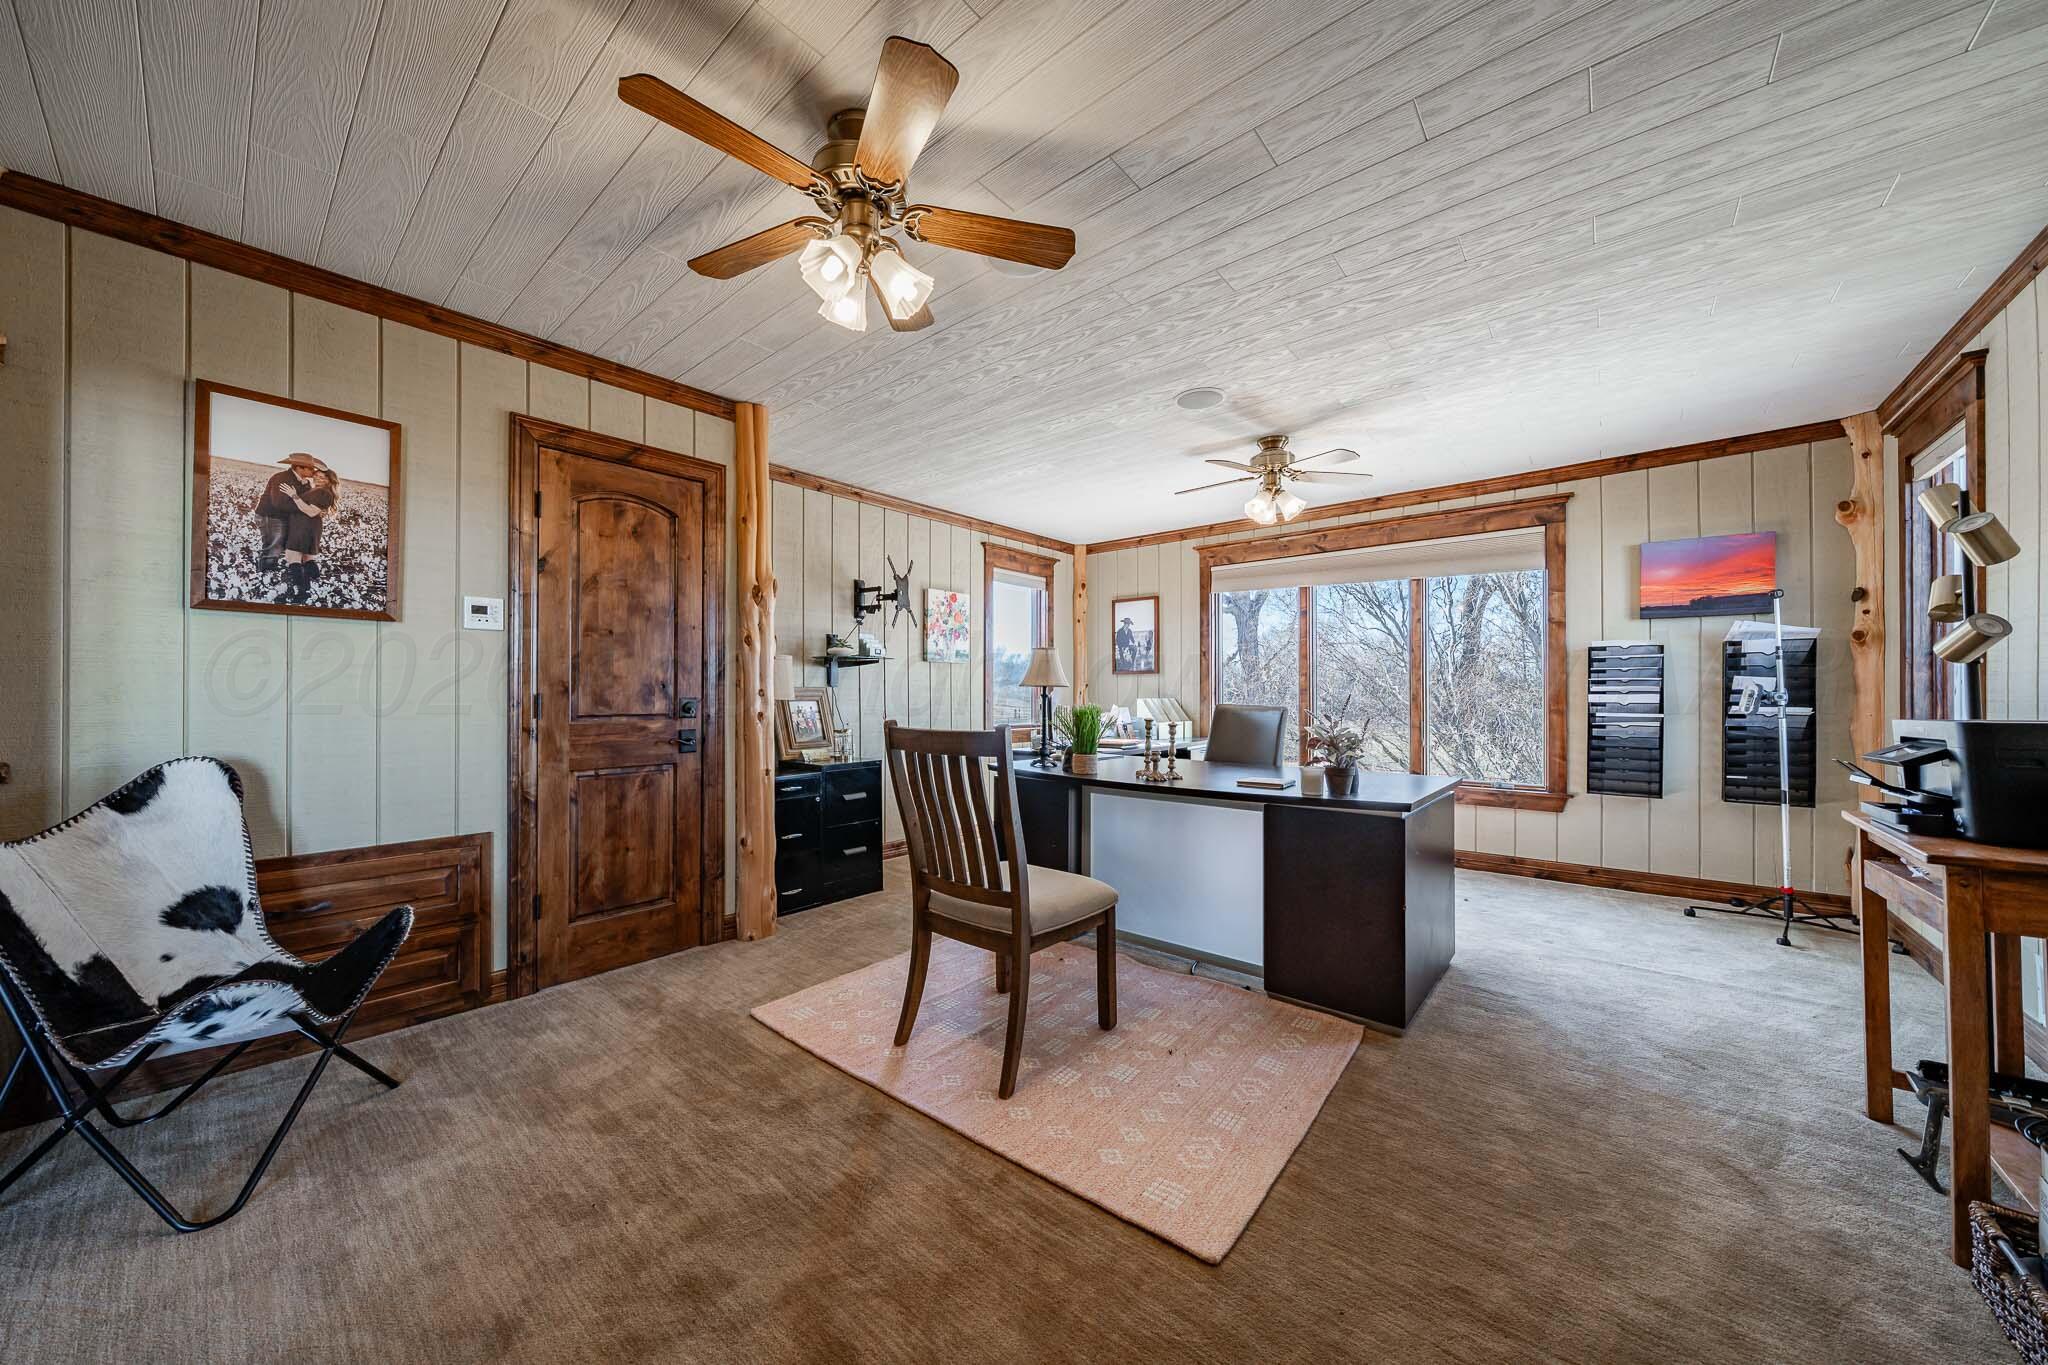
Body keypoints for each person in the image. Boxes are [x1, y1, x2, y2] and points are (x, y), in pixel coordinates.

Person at [252, 453, 322, 574]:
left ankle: (270, 570)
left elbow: (306, 500)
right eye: (311, 468)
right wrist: (305, 509)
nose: (314, 471)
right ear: (299, 468)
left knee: (280, 544)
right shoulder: (282, 478)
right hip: (271, 516)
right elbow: (279, 503)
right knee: (274, 545)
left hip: (282, 517)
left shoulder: (305, 482)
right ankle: (265, 572)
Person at [279, 463, 337, 604]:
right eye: (316, 476)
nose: (318, 479)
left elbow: (310, 511)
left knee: (293, 556)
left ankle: (302, 592)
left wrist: (294, 496)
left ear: (329, 481)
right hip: (307, 527)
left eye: (322, 478)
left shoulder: (323, 493)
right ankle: (315, 582)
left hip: (305, 527)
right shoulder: (317, 490)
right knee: (307, 558)